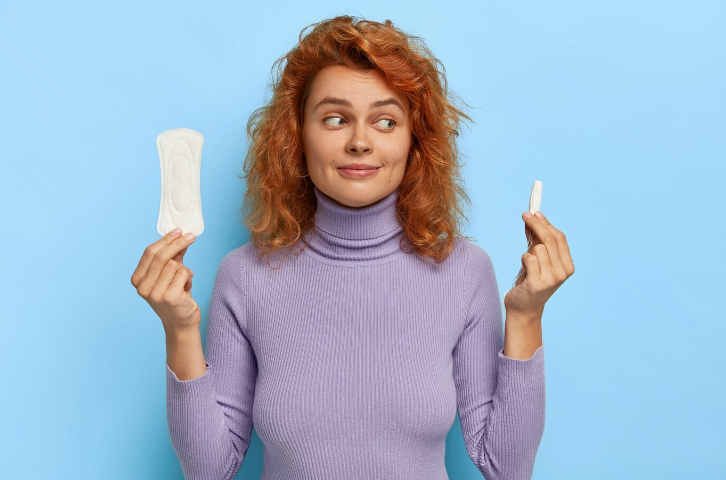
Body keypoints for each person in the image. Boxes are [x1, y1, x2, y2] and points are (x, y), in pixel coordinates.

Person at [131, 15, 574, 480]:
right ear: (296, 136)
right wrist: (179, 330)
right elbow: (210, 471)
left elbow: (506, 469)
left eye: (385, 121)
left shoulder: (463, 271)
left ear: (414, 140)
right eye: (336, 119)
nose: (360, 142)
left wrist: (526, 316)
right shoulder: (244, 276)